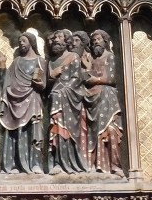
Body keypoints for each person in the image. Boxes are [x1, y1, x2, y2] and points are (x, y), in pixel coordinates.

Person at [0, 32, 46, 174]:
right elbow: (6, 81)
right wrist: (2, 65)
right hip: (14, 100)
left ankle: (35, 163)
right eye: (19, 41)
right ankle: (13, 164)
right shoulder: (16, 61)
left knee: (34, 130)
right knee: (15, 131)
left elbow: (43, 85)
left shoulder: (39, 61)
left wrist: (39, 83)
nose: (21, 43)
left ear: (31, 42)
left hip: (33, 98)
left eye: (24, 40)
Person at [47, 29, 88, 174]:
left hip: (70, 100)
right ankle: (57, 162)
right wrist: (52, 75)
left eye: (60, 37)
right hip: (54, 100)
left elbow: (77, 78)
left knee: (69, 131)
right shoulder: (51, 61)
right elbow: (46, 83)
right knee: (57, 130)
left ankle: (71, 162)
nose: (56, 40)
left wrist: (63, 91)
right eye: (55, 38)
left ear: (66, 41)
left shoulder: (73, 57)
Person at [84, 30, 124, 175]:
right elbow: (85, 77)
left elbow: (111, 78)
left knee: (111, 130)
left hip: (108, 98)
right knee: (94, 133)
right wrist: (89, 70)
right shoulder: (91, 61)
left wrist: (94, 79)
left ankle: (115, 166)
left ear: (105, 41)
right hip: (92, 100)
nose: (95, 42)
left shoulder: (109, 56)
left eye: (98, 39)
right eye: (93, 40)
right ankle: (98, 165)